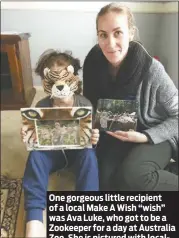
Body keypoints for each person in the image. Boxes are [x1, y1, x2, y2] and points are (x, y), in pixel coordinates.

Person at [83, 3, 178, 191]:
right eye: (103, 35)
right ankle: (164, 170)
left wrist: (144, 137)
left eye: (118, 32)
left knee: (134, 176)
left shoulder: (152, 70)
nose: (110, 44)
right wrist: (91, 128)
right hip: (115, 135)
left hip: (154, 135)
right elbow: (91, 107)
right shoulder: (93, 63)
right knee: (105, 183)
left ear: (131, 33)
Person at [21, 50, 99, 237]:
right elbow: (36, 138)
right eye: (53, 81)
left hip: (77, 153)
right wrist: (28, 134)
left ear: (72, 79)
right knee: (35, 157)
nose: (60, 86)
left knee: (90, 157)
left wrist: (94, 138)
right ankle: (34, 216)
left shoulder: (84, 103)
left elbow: (90, 135)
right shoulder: (42, 105)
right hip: (52, 154)